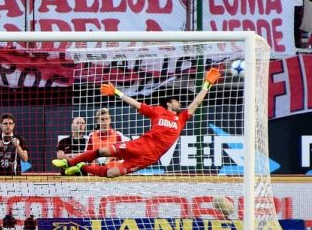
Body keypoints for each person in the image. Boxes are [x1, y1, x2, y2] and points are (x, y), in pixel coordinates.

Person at [55, 68, 221, 177]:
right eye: (177, 101)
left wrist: (207, 85)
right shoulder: (157, 111)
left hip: (149, 157)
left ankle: (80, 167)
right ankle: (69, 162)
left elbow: (196, 103)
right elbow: (135, 103)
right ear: (169, 103)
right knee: (103, 152)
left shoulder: (182, 118)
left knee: (111, 173)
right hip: (140, 145)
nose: (180, 104)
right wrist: (117, 92)